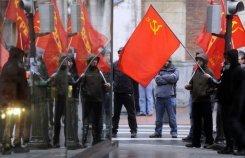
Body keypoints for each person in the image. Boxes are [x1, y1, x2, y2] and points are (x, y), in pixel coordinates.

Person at [0, 46, 30, 154]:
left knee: (6, 122)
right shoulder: (17, 65)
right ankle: (13, 144)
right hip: (15, 100)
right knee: (16, 121)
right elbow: (21, 84)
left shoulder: (6, 65)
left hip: (6, 99)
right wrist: (25, 99)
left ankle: (5, 143)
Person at [215, 49, 245, 154]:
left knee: (235, 125)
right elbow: (223, 84)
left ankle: (241, 148)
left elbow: (237, 88)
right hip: (226, 101)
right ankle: (229, 146)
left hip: (234, 103)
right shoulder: (228, 69)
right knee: (227, 125)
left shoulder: (239, 70)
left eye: (227, 57)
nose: (225, 59)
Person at [185, 53, 214, 148]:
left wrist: (207, 92)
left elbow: (214, 86)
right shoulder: (195, 71)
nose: (198, 62)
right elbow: (192, 84)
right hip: (196, 100)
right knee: (196, 122)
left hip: (205, 101)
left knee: (207, 123)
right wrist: (189, 87)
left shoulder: (209, 72)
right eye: (197, 60)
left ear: (204, 62)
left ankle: (209, 141)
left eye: (200, 60)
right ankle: (195, 142)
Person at [80, 55, 110, 147]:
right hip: (88, 100)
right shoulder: (85, 73)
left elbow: (103, 87)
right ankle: (84, 139)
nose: (95, 62)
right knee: (86, 119)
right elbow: (81, 87)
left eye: (96, 61)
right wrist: (87, 94)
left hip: (98, 99)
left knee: (97, 119)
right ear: (89, 62)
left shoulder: (100, 72)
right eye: (93, 61)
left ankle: (96, 138)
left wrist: (107, 87)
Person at [149, 58, 179, 138]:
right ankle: (158, 132)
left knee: (172, 116)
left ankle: (174, 132)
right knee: (158, 117)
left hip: (170, 96)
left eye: (167, 61)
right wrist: (168, 79)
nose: (165, 62)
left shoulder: (174, 69)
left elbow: (174, 78)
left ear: (170, 61)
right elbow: (158, 80)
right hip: (159, 96)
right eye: (164, 60)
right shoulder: (158, 69)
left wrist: (163, 77)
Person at [112, 47, 138, 138]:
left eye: (122, 52)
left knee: (131, 113)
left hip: (128, 92)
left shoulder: (131, 64)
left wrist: (132, 91)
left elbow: (135, 80)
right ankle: (114, 130)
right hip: (117, 93)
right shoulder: (114, 65)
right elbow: (112, 78)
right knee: (116, 113)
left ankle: (133, 130)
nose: (120, 54)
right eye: (119, 53)